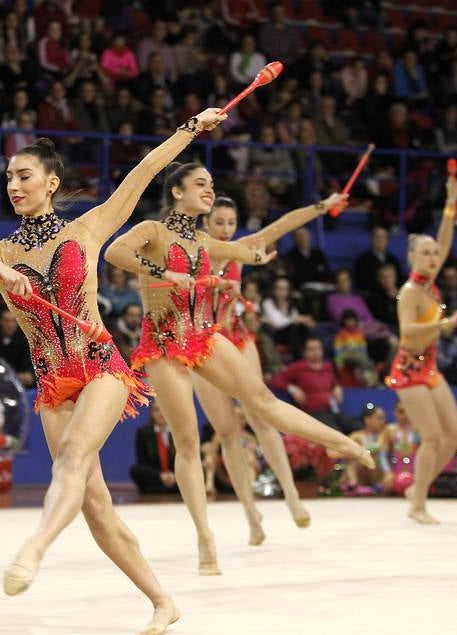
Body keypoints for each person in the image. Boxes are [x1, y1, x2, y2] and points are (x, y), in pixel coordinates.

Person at [0, 107, 229, 634]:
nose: (13, 184)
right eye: (8, 178)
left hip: (100, 368)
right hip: (52, 383)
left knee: (71, 458)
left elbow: (143, 173)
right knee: (95, 505)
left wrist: (190, 129)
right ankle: (163, 600)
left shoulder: (90, 227)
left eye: (24, 175)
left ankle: (33, 550)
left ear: (51, 183)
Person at [105, 162, 373, 575]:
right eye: (200, 184)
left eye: (212, 184)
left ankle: (343, 443)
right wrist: (163, 272)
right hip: (162, 344)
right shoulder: (153, 231)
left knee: (263, 402)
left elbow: (257, 243)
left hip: (204, 336)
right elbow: (115, 252)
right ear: (177, 192)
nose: (209, 191)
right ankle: (205, 537)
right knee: (189, 441)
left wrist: (261, 251)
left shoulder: (203, 241)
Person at [195, 193, 348, 537]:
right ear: (206, 222)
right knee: (227, 432)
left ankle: (292, 496)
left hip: (235, 338)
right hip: (202, 345)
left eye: (230, 223)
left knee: (262, 417)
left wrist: (321, 206)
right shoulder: (193, 250)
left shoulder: (240, 249)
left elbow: (283, 225)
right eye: (218, 222)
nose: (224, 230)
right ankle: (251, 515)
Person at [387, 175, 457, 524]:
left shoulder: (430, 282)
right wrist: (442, 325)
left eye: (435, 253)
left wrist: (451, 202)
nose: (434, 256)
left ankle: (417, 489)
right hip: (408, 370)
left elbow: (446, 238)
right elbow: (406, 333)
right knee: (433, 436)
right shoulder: (410, 292)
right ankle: (417, 505)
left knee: (455, 434)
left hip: (430, 367)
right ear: (411, 257)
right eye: (426, 252)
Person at [268, 337, 357, 434]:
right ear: (304, 352)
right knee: (336, 433)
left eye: (318, 348)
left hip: (332, 410)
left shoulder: (328, 366)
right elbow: (275, 381)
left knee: (357, 427)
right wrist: (292, 388)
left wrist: (337, 387)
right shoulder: (298, 367)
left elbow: (334, 382)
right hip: (313, 413)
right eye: (312, 349)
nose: (316, 352)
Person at [338, 404, 392, 495]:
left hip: (380, 477)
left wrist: (361, 451)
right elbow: (344, 453)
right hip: (361, 476)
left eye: (383, 418)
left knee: (364, 454)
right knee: (352, 456)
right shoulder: (356, 436)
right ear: (368, 420)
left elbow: (380, 449)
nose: (383, 421)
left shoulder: (385, 433)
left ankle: (374, 487)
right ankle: (353, 484)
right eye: (379, 418)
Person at [130, 401, 178, 494]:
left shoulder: (177, 432)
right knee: (135, 470)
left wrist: (174, 476)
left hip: (175, 477)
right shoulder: (143, 433)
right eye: (157, 410)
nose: (161, 413)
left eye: (164, 410)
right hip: (156, 477)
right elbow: (142, 462)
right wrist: (160, 475)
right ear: (152, 413)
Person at [0, 308, 34, 388]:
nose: (10, 325)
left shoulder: (25, 342)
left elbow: (29, 376)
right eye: (6, 321)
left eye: (13, 321)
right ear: (0, 322)